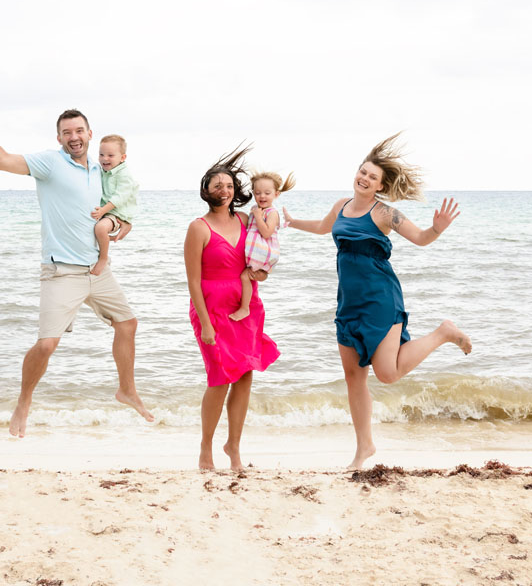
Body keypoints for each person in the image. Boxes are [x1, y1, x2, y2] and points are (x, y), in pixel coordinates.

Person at [0, 98, 154, 437]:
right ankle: (23, 402)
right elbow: (2, 161)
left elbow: (119, 201)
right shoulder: (50, 163)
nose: (73, 137)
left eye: (78, 131)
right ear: (58, 138)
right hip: (61, 272)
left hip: (98, 270)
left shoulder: (100, 170)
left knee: (128, 324)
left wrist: (121, 224)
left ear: (89, 133)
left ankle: (126, 390)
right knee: (46, 345)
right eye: (65, 132)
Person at [283, 133, 471, 470]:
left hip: (380, 298)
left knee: (387, 373)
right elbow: (325, 228)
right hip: (348, 303)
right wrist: (293, 222)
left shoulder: (385, 213)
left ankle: (443, 332)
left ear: (380, 186)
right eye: (363, 172)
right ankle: (364, 447)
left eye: (373, 177)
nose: (365, 178)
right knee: (354, 378)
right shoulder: (340, 206)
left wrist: (437, 229)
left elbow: (420, 238)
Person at [185, 148, 280, 471]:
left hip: (246, 305)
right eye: (217, 185)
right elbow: (193, 282)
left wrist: (263, 273)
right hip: (211, 308)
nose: (223, 190)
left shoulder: (245, 218)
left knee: (244, 376)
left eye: (228, 185)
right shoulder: (198, 228)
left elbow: (262, 252)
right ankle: (205, 447)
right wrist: (207, 325)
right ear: (206, 191)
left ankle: (234, 447)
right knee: (218, 378)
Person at [228, 170, 295, 322]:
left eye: (267, 193)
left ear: (276, 194)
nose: (262, 196)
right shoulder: (256, 210)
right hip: (254, 253)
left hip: (263, 254)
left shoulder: (271, 213)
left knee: (245, 276)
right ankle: (246, 303)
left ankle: (245, 308)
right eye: (258, 193)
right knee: (246, 276)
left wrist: (258, 217)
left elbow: (266, 233)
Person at [90, 134, 138, 277]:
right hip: (107, 211)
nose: (105, 158)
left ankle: (103, 258)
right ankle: (105, 240)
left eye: (110, 155)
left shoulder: (124, 174)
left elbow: (120, 197)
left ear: (122, 158)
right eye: (101, 154)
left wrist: (103, 210)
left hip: (118, 213)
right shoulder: (102, 170)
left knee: (100, 227)